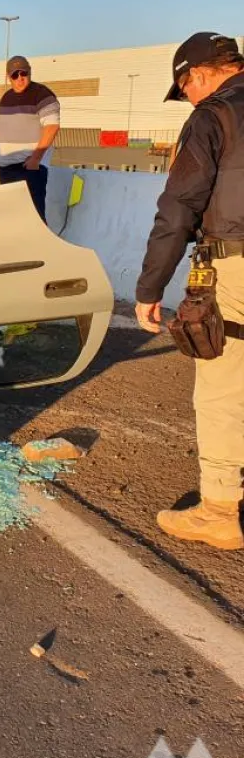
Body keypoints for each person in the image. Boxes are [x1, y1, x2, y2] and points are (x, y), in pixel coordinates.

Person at [136, 31, 244, 550]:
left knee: (223, 383)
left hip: (236, 261)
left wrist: (150, 286)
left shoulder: (213, 116)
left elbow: (178, 208)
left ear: (196, 76)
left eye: (184, 91)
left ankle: (221, 509)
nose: (188, 101)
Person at [0, 56, 61, 221]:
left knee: (34, 218)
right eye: (15, 75)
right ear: (9, 77)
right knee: (12, 218)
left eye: (24, 73)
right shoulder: (6, 98)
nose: (20, 78)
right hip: (6, 170)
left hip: (29, 168)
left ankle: (39, 247)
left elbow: (51, 127)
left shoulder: (42, 95)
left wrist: (35, 160)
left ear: (30, 72)